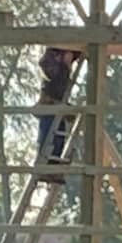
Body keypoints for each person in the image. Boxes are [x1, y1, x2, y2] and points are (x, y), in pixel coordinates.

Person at [35, 47, 80, 182]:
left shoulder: (63, 69)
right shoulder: (52, 64)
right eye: (68, 57)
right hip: (49, 108)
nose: (70, 61)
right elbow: (45, 67)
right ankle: (45, 168)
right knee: (47, 138)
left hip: (57, 109)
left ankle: (53, 169)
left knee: (58, 139)